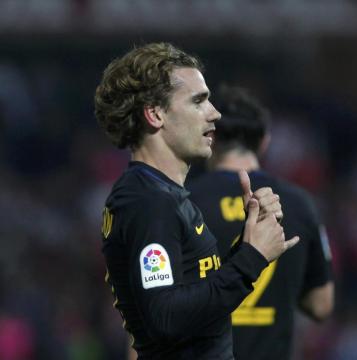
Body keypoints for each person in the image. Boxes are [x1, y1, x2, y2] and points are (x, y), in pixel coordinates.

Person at [94, 43, 299, 359]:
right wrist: (251, 259)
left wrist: (246, 244)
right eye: (198, 101)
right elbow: (165, 317)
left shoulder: (161, 194)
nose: (215, 113)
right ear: (155, 113)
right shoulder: (150, 202)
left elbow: (191, 298)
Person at [188, 85, 334, 360]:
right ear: (265, 140)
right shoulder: (300, 204)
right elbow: (321, 304)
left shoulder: (186, 201)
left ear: (211, 137)